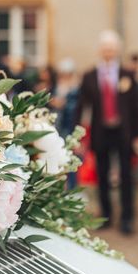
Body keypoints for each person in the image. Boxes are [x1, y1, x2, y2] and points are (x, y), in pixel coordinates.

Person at [74, 30, 138, 235]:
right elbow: (81, 107)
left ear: (117, 50)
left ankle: (127, 218)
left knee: (126, 175)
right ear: (100, 50)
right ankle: (106, 215)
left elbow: (136, 107)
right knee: (102, 175)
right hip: (101, 131)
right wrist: (78, 136)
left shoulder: (127, 75)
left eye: (112, 48)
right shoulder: (89, 76)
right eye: (105, 48)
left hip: (124, 132)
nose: (109, 52)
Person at [52, 59, 80, 189]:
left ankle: (72, 188)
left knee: (70, 158)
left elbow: (76, 109)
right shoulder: (55, 87)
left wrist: (64, 103)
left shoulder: (75, 89)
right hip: (56, 127)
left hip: (69, 127)